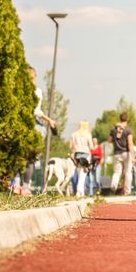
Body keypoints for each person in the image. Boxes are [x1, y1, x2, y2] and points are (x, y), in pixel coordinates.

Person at [23, 65, 61, 195]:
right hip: (33, 124)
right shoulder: (36, 91)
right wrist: (49, 120)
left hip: (21, 122)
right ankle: (25, 186)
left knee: (20, 156)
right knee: (31, 157)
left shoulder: (18, 90)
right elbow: (36, 111)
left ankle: (16, 184)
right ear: (34, 77)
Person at [109, 113, 134, 195]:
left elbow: (109, 140)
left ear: (120, 119)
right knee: (128, 172)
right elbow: (130, 143)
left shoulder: (113, 130)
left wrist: (115, 140)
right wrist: (133, 156)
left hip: (116, 153)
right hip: (126, 153)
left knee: (117, 172)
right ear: (127, 119)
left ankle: (113, 185)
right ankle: (127, 191)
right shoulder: (128, 130)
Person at [70, 120, 95, 198]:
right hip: (85, 155)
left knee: (79, 173)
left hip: (77, 155)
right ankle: (79, 192)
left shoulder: (74, 134)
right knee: (83, 175)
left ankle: (81, 192)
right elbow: (91, 147)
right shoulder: (88, 135)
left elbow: (71, 146)